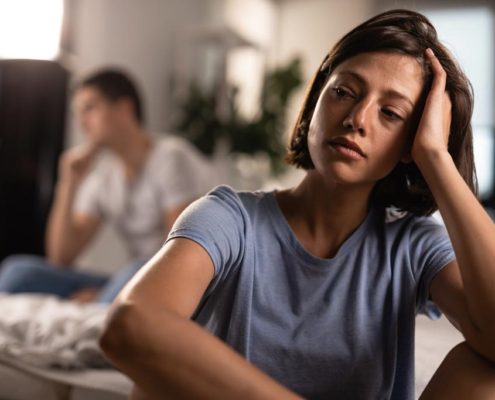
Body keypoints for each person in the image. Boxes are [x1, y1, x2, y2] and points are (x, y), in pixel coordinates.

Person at [100, 9, 495, 399]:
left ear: (411, 143)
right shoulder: (229, 218)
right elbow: (129, 325)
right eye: (343, 92)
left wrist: (437, 160)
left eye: (390, 113)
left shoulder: (414, 246)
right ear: (317, 98)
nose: (357, 119)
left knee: (482, 369)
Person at [0, 69, 215, 303]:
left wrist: (101, 295)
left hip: (176, 277)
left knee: (135, 270)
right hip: (135, 277)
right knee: (17, 272)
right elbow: (61, 257)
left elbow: (178, 253)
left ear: (124, 109)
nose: (82, 122)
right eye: (77, 113)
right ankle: (108, 301)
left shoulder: (170, 157)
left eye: (89, 108)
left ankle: (105, 307)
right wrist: (68, 182)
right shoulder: (104, 174)